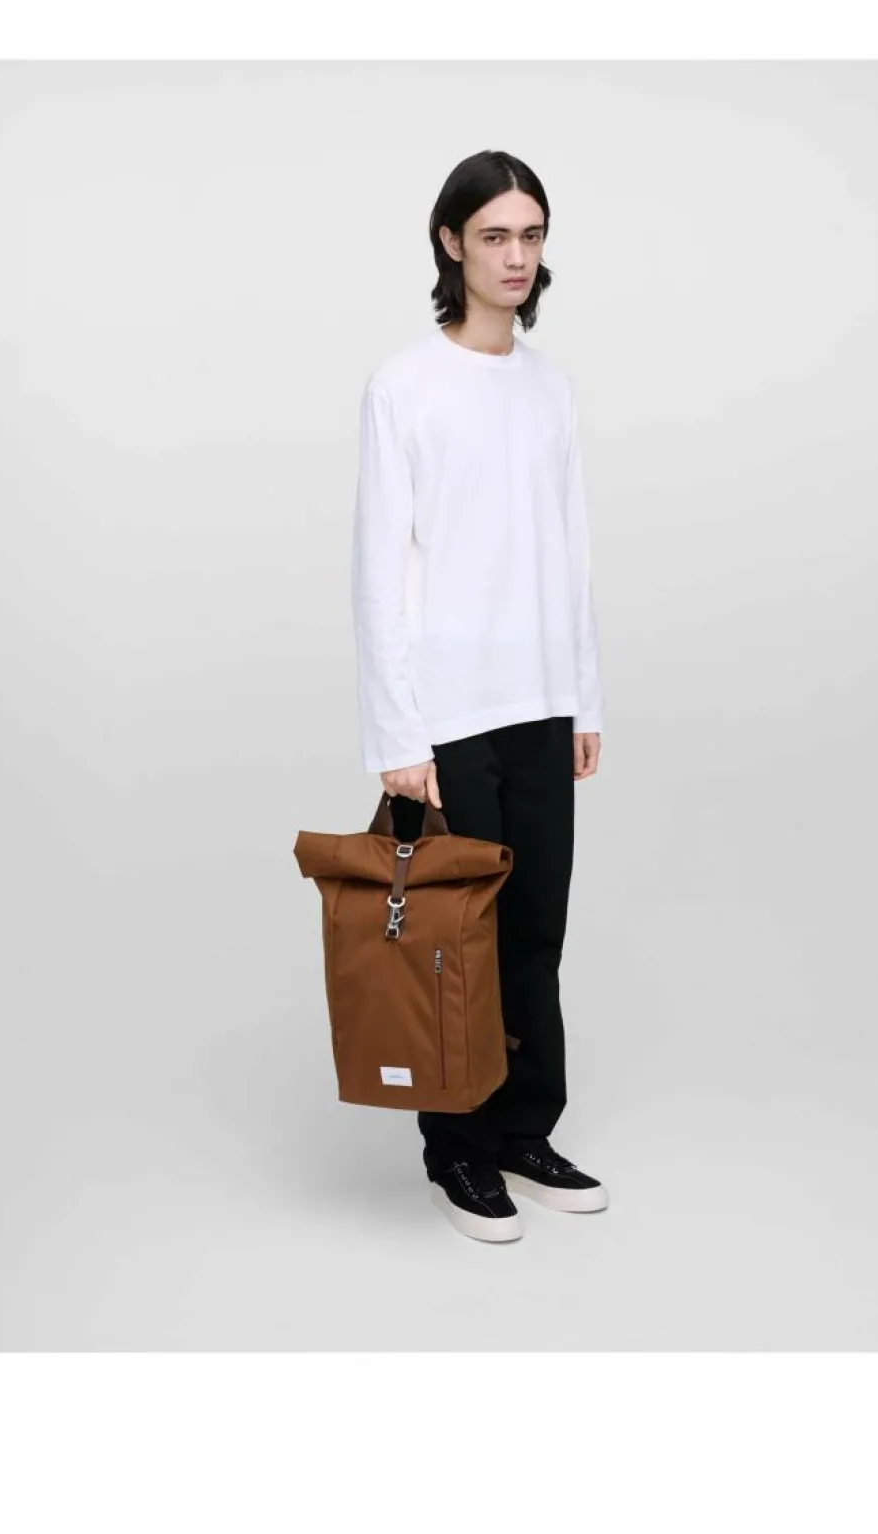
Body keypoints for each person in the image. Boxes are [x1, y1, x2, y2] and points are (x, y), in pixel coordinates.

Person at [350, 148, 610, 1244]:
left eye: (531, 235)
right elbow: (378, 570)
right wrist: (398, 734)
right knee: (456, 939)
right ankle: (455, 1149)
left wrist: (584, 701)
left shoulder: (550, 387)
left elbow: (572, 551)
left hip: (540, 701)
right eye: (495, 235)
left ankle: (522, 1130)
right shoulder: (404, 387)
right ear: (451, 242)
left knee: (536, 933)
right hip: (448, 715)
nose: (516, 256)